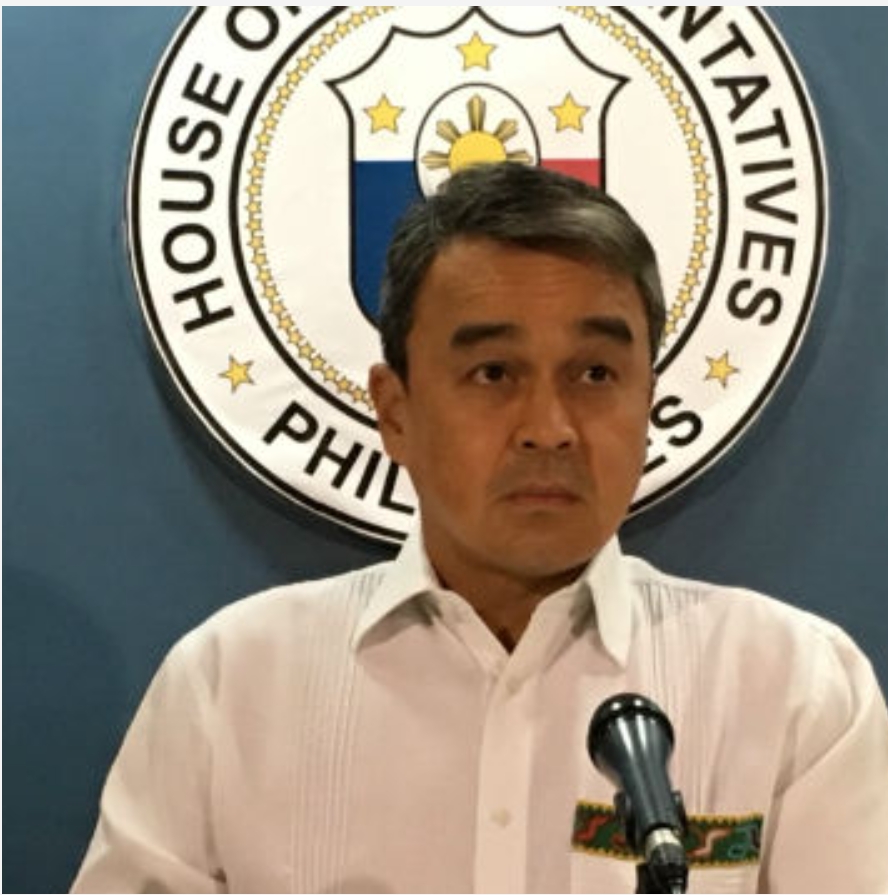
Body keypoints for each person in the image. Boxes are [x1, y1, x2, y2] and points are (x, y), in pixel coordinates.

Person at [72, 162, 888, 894]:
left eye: (596, 372)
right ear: (396, 411)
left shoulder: (794, 687)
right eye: (493, 372)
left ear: (648, 402)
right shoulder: (231, 683)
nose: (550, 428)